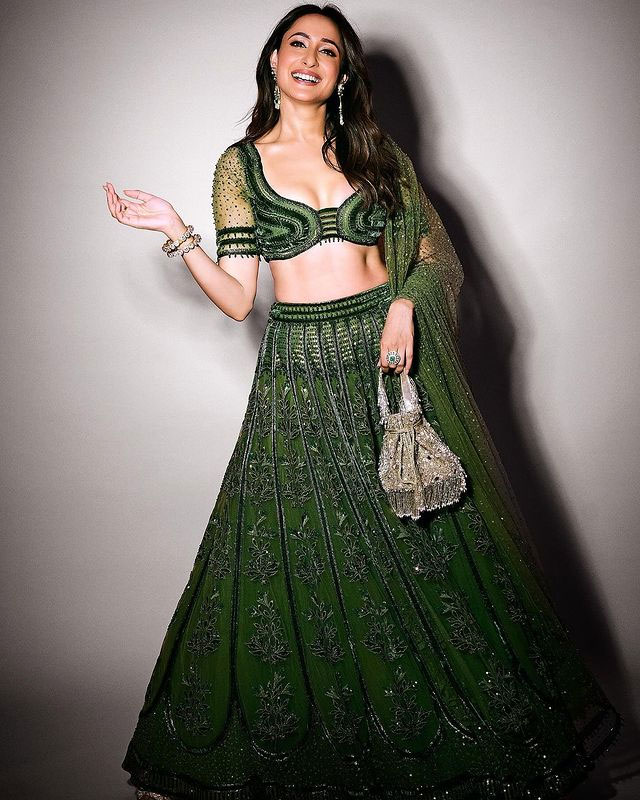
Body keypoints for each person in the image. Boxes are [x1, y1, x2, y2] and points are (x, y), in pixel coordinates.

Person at [103, 4, 622, 799]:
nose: (311, 58)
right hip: (300, 370)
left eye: (329, 50)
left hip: (386, 363)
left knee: (429, 547)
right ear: (273, 59)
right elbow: (239, 300)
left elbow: (434, 255)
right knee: (297, 552)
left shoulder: (374, 152)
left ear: (344, 73)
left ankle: (467, 738)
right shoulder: (238, 167)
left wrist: (406, 302)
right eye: (297, 43)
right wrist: (176, 231)